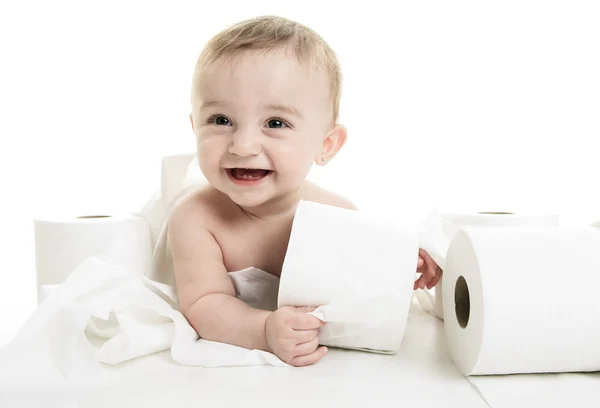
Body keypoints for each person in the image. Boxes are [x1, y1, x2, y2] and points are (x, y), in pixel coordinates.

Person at [168, 15, 441, 367]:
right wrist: (262, 329)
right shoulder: (196, 218)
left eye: (275, 123)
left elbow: (365, 285)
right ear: (195, 127)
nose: (244, 144)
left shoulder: (337, 213)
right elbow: (204, 304)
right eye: (221, 120)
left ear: (325, 144)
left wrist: (404, 260)